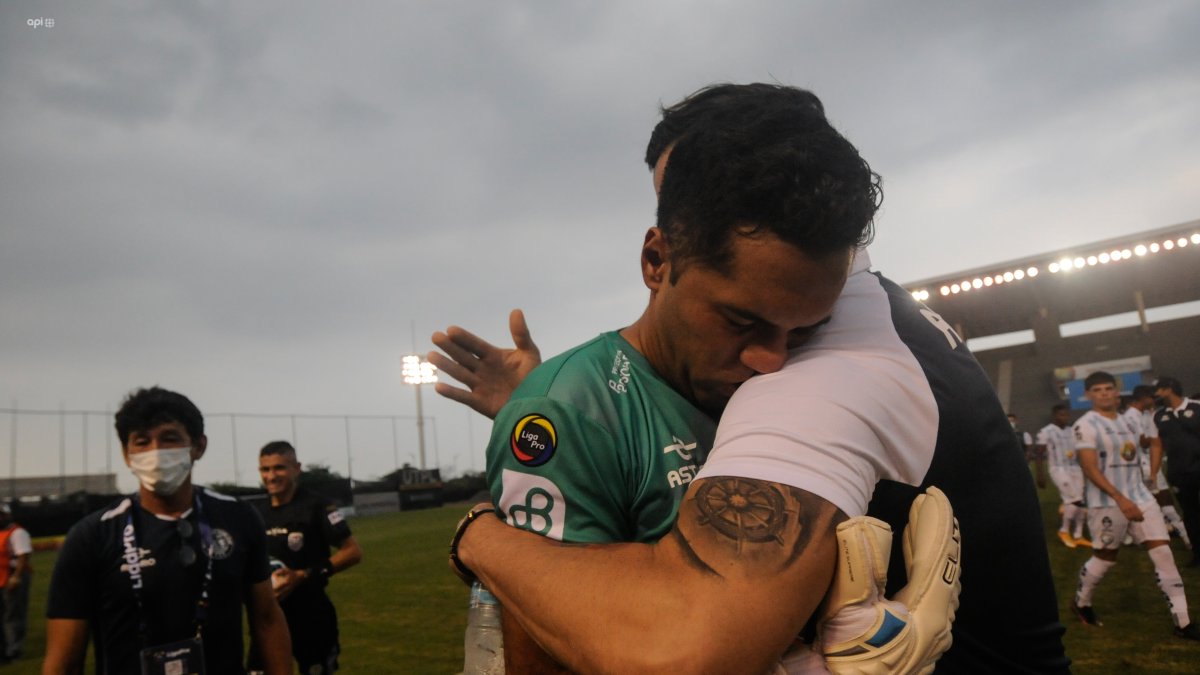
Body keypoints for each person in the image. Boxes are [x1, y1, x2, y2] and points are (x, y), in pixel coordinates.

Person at [437, 83, 1068, 673]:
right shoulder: (878, 321)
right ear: (658, 255)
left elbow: (685, 645)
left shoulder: (828, 375)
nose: (771, 358)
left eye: (796, 329)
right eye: (742, 322)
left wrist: (478, 536)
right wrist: (556, 408)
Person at [43, 387, 292, 674]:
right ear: (127, 454)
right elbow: (64, 660)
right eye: (142, 441)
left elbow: (267, 618)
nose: (156, 452)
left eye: (169, 439)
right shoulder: (91, 536)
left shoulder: (238, 517)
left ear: (199, 446)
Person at [1070, 372, 1199, 639]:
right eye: (1098, 390)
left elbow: (1153, 441)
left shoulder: (1132, 420)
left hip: (1140, 497)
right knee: (1105, 559)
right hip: (1106, 503)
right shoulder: (1086, 425)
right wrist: (1120, 498)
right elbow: (1089, 466)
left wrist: (1151, 474)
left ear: (1117, 392)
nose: (1104, 393)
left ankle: (1183, 623)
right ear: (1088, 395)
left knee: (1163, 554)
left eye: (1109, 388)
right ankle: (1081, 603)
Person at [248, 441, 363, 674]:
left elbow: (352, 552)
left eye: (279, 468)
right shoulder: (255, 512)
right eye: (265, 469)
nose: (271, 476)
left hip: (312, 617)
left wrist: (303, 575)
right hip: (267, 618)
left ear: (296, 468)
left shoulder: (317, 506)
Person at [1125, 384, 1190, 548]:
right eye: (1152, 398)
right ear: (1144, 398)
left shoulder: (1143, 414)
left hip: (1147, 463)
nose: (1154, 401)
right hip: (1144, 465)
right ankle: (1186, 537)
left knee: (1158, 503)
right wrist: (1158, 439)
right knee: (1164, 502)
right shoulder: (1132, 416)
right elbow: (1143, 443)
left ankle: (1148, 535)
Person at [1151, 376, 1200, 566]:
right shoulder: (1159, 415)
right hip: (1179, 472)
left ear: (1168, 389)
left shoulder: (1196, 407)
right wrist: (1153, 472)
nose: (1156, 394)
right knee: (1190, 513)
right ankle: (1197, 554)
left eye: (1159, 389)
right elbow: (1156, 446)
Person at [1036, 404, 1088, 548]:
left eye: (1066, 415)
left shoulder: (1071, 431)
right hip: (1058, 469)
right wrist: (1040, 474)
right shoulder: (1046, 432)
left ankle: (1078, 535)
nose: (1065, 417)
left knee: (1080, 501)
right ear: (1054, 416)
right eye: (1061, 415)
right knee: (1074, 499)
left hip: (1075, 468)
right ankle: (1064, 531)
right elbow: (1039, 453)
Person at [0, 503, 33, 662]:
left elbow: (23, 557)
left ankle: (14, 650)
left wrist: (17, 577)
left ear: (6, 515)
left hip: (12, 575)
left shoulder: (17, 532)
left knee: (13, 614)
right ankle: (4, 647)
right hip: (1, 575)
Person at [1011, 413, 1046, 489]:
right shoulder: (1001, 435)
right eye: (1008, 421)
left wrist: (1024, 463)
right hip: (1008, 466)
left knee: (1025, 487)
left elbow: (1029, 451)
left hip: (1023, 465)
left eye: (1012, 421)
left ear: (1016, 421)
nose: (1010, 423)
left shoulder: (1024, 435)